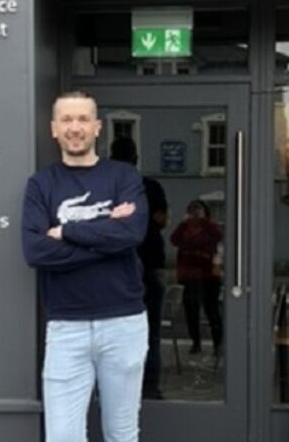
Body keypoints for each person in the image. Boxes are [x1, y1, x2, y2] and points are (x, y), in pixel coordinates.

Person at [21, 91, 149, 442]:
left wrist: (66, 232)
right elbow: (35, 251)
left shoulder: (124, 177)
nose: (74, 128)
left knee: (121, 434)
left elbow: (133, 232)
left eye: (82, 120)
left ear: (97, 127)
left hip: (124, 324)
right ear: (53, 129)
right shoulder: (41, 185)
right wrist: (108, 237)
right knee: (63, 437)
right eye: (66, 120)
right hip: (66, 327)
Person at [109, 136, 168, 400]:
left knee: (111, 333)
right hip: (149, 267)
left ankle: (116, 390)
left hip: (112, 268)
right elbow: (162, 220)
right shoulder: (150, 186)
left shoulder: (106, 187)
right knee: (150, 331)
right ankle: (149, 386)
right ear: (136, 159)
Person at [170, 200, 223, 356]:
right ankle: (196, 342)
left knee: (211, 308)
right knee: (191, 308)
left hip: (208, 273)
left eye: (197, 210)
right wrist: (184, 223)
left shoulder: (209, 227)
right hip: (188, 273)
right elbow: (174, 239)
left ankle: (217, 344)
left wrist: (203, 221)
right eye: (191, 209)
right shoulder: (185, 227)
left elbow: (218, 236)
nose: (194, 213)